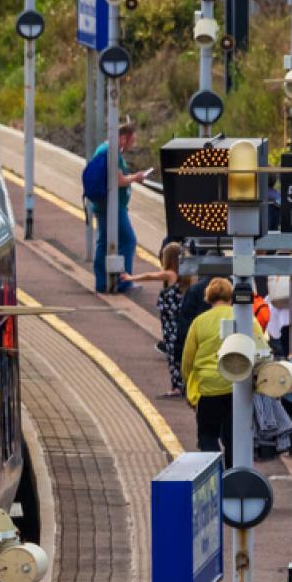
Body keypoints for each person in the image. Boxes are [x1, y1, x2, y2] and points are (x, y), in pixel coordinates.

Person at [181, 277, 269, 463]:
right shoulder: (246, 319)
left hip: (208, 387)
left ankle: (212, 475)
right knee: (233, 438)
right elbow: (262, 349)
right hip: (237, 385)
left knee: (207, 435)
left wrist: (189, 388)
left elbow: (187, 360)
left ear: (208, 297)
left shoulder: (199, 322)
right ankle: (232, 477)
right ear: (231, 296)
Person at [83, 119, 153, 294]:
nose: (133, 144)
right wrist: (136, 178)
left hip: (106, 204)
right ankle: (123, 281)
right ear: (123, 138)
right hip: (111, 207)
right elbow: (118, 180)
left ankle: (102, 281)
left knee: (104, 241)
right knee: (128, 240)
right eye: (132, 140)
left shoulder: (104, 149)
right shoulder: (111, 152)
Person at [133, 241, 188, 397]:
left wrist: (131, 278)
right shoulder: (185, 276)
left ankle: (177, 387)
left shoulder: (171, 274)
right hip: (177, 319)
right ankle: (183, 384)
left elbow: (151, 275)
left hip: (171, 322)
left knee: (172, 353)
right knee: (180, 352)